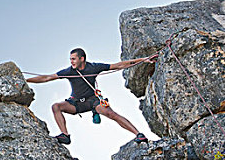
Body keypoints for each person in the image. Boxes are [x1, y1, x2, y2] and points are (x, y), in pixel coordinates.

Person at [26, 48, 155, 145]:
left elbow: (119, 65)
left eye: (73, 59)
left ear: (82, 58)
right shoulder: (69, 71)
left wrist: (143, 60)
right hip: (76, 103)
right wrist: (26, 81)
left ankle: (138, 134)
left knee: (112, 114)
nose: (71, 62)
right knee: (56, 107)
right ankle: (65, 136)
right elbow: (47, 77)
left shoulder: (93, 67)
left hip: (93, 101)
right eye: (70, 59)